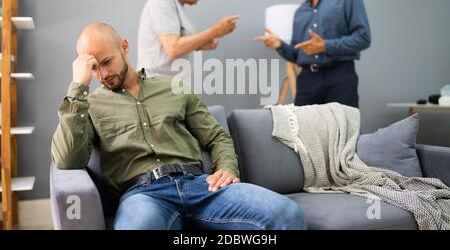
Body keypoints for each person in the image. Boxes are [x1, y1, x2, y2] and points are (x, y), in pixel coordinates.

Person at [51, 22, 306, 230]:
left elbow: (217, 137)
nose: (102, 74)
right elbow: (67, 160)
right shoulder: (89, 105)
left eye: (106, 62)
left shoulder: (174, 87)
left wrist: (227, 167)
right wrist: (78, 89)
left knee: (287, 214)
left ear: (124, 47)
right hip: (144, 196)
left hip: (201, 186)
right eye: (94, 68)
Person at [254, 0, 371, 108]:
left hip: (340, 77)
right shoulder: (300, 12)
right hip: (307, 81)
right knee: (303, 131)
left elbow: (363, 38)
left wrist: (325, 46)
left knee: (343, 131)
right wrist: (279, 45)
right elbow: (297, 54)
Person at [137, 0, 240, 77]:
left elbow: (170, 46)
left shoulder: (175, 4)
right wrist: (213, 31)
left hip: (168, 85)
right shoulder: (163, 0)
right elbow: (173, 48)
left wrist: (200, 44)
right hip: (156, 85)